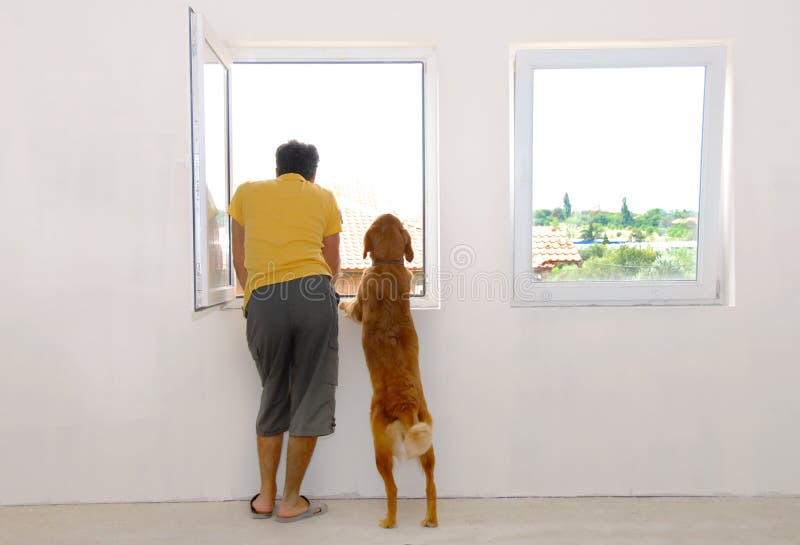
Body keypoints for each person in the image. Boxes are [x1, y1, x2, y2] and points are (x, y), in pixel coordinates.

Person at [228, 140, 341, 522]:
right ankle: (292, 501)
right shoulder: (323, 197)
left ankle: (265, 497)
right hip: (313, 293)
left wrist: (256, 294)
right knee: (310, 393)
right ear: (312, 174)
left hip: (264, 298)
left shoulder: (246, 193)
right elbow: (333, 260)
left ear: (277, 170)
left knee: (274, 390)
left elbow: (239, 256)